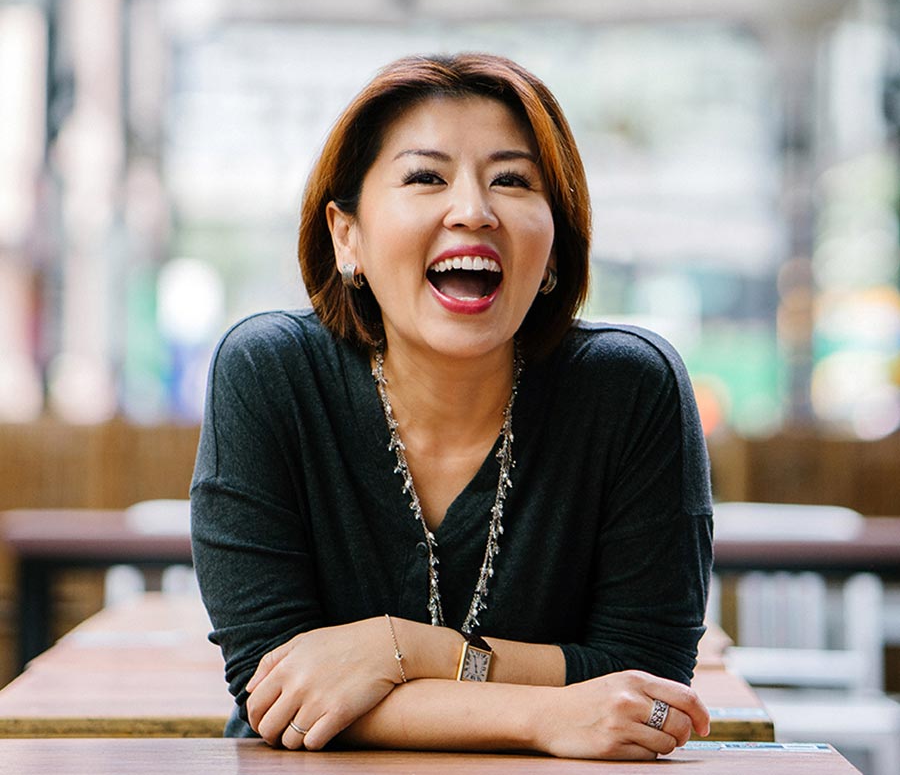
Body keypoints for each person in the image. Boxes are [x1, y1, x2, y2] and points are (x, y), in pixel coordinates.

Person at [190, 52, 713, 760]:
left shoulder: (630, 389)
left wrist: (400, 648)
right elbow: (273, 690)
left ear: (554, 246)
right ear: (348, 237)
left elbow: (645, 683)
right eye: (425, 177)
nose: (473, 210)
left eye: (512, 181)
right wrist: (543, 717)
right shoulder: (269, 373)